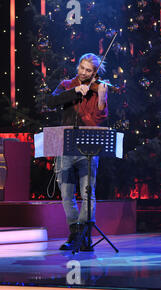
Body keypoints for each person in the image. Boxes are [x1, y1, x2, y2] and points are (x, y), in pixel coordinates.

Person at [46, 53, 108, 251]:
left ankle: (84, 235)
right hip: (65, 146)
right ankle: (74, 233)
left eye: (88, 70)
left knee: (87, 193)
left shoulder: (99, 89)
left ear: (95, 72)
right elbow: (51, 101)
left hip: (88, 149)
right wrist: (74, 92)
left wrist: (102, 98)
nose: (83, 72)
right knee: (66, 194)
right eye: (82, 67)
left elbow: (97, 119)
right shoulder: (66, 84)